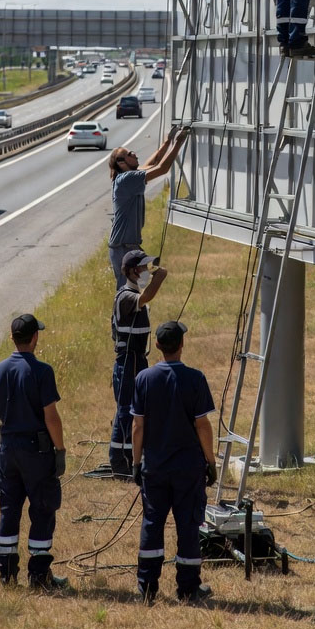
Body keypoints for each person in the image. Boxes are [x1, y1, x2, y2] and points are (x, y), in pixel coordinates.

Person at [131, 320, 217, 604]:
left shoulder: (144, 379)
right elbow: (202, 425)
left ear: (157, 346)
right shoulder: (195, 379)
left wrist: (135, 462)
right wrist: (211, 461)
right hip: (188, 469)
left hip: (154, 468)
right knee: (188, 526)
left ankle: (147, 586)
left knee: (152, 523)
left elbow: (138, 426)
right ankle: (188, 588)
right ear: (182, 345)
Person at [0, 314, 67, 591]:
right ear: (35, 338)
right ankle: (39, 576)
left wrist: (0, 448)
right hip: (37, 451)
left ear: (11, 338)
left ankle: (7, 576)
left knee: (9, 511)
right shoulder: (42, 371)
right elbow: (51, 416)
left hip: (8, 450)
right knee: (42, 510)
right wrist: (60, 449)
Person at [108, 248, 168, 478]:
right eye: (143, 267)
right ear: (132, 271)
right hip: (128, 361)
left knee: (138, 411)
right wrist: (159, 279)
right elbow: (145, 298)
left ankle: (134, 455)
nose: (146, 271)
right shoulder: (125, 296)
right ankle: (119, 462)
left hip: (138, 360)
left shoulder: (133, 293)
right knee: (126, 410)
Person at [108, 126, 189, 289]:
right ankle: (126, 314)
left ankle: (137, 312)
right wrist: (179, 143)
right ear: (121, 163)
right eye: (129, 154)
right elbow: (162, 169)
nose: (134, 154)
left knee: (138, 287)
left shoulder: (128, 177)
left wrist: (167, 143)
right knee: (129, 291)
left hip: (128, 246)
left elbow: (153, 164)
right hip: (123, 248)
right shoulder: (126, 179)